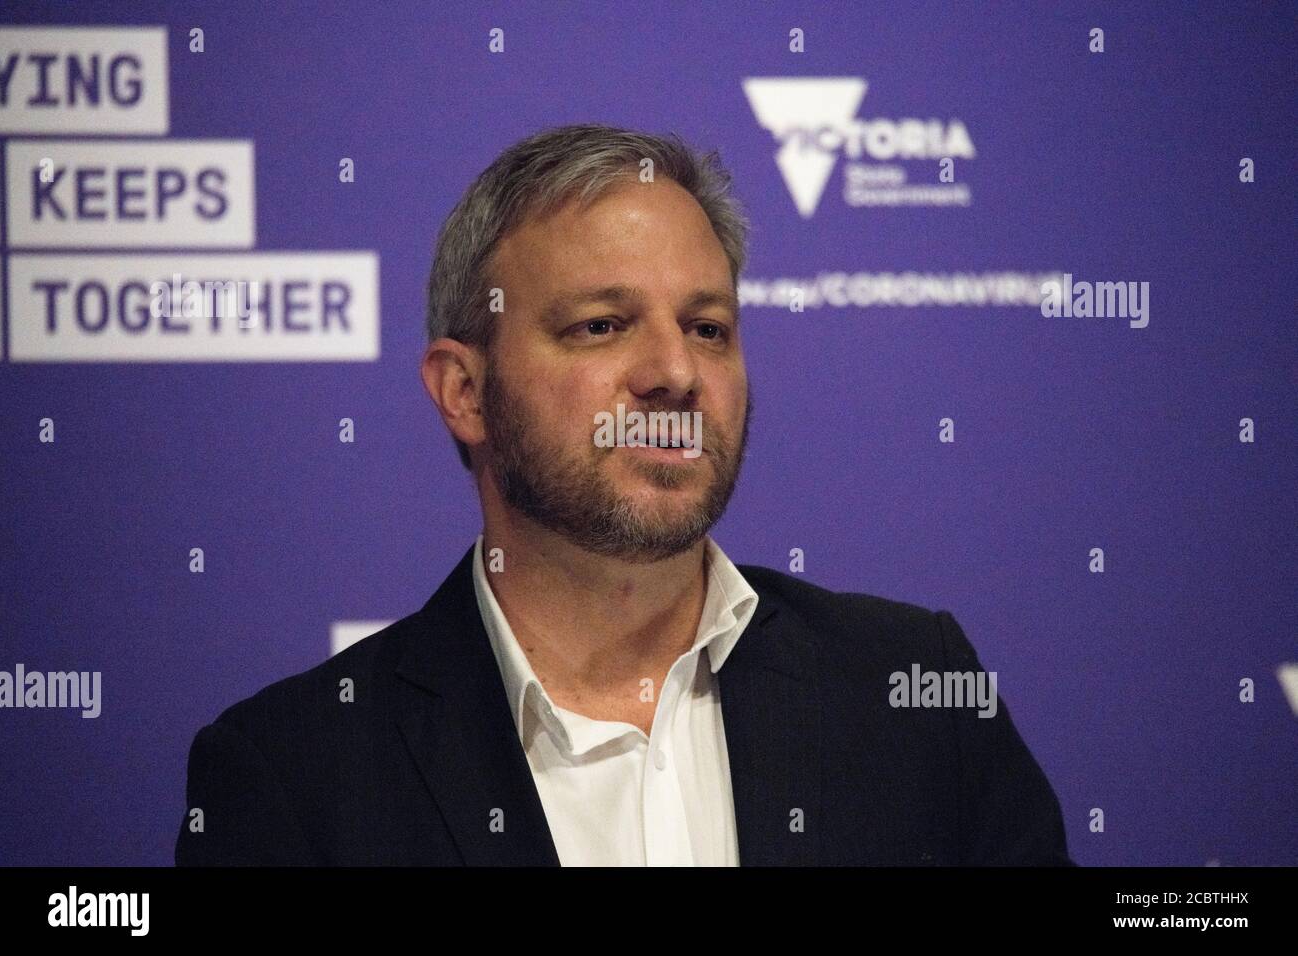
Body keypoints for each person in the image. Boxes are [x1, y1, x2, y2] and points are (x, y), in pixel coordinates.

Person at [175, 124, 1073, 866]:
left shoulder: (912, 691)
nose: (675, 373)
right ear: (465, 392)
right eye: (601, 325)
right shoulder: (293, 778)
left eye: (708, 328)